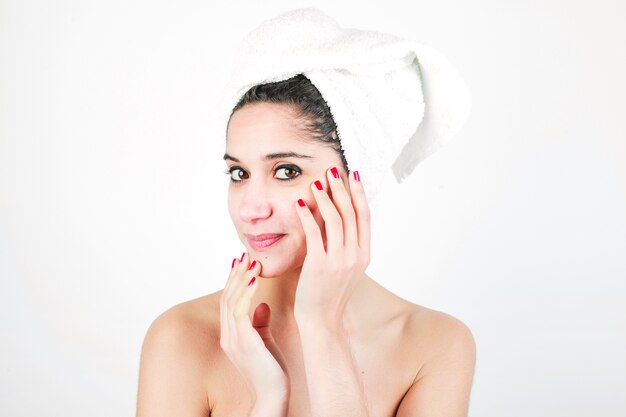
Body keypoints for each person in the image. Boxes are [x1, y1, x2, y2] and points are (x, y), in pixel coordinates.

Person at [135, 73, 476, 417]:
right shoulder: (182, 338)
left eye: (286, 171)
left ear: (354, 176)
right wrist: (269, 401)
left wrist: (322, 329)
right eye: (239, 174)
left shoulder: (435, 345)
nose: (250, 210)